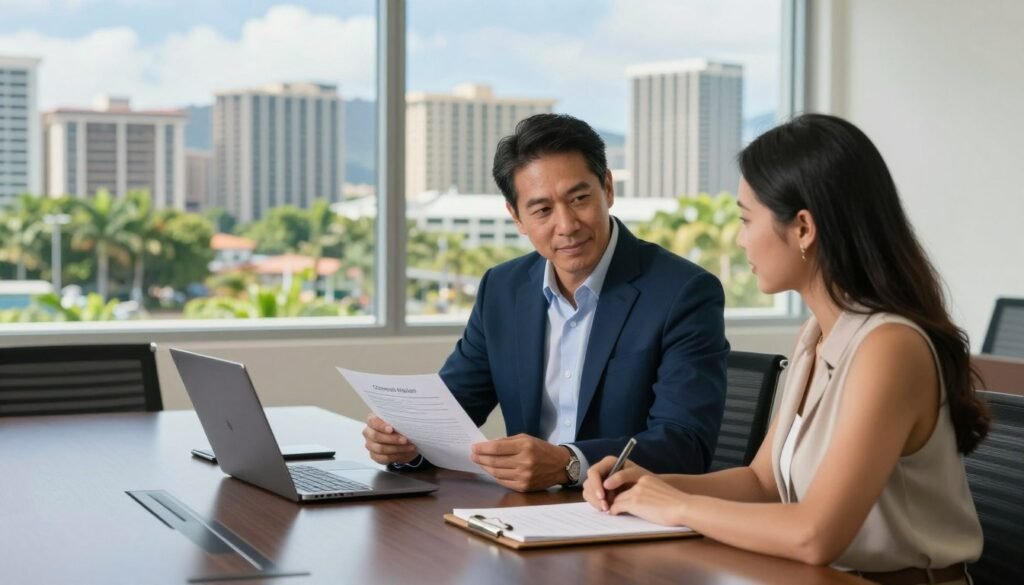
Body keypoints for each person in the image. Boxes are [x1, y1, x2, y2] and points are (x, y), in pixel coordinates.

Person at [583, 113, 989, 583]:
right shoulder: (817, 334)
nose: (739, 239)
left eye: (745, 218)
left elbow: (815, 535)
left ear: (803, 229)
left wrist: (676, 505)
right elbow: (762, 483)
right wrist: (645, 483)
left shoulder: (889, 348)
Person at [363, 113, 729, 492]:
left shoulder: (682, 292)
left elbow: (686, 444)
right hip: (525, 513)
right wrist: (405, 443)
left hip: (624, 515)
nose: (567, 224)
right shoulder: (502, 288)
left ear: (607, 188)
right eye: (542, 210)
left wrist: (571, 464)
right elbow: (450, 412)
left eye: (580, 198)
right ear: (516, 217)